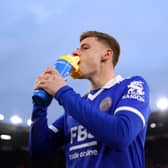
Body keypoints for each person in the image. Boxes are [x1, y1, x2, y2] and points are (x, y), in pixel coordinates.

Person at [29, 31, 150, 168]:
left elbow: (121, 135)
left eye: (85, 48)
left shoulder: (132, 85)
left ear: (106, 54)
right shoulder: (75, 106)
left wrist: (62, 91)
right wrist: (40, 106)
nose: (75, 53)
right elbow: (39, 152)